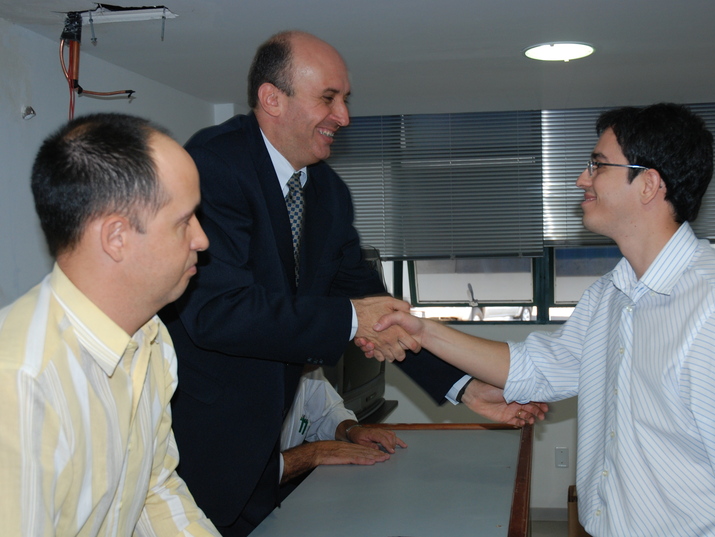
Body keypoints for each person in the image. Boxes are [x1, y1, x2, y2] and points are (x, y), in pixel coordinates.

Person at [161, 30, 545, 536]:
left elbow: (373, 306)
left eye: (345, 99)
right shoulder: (213, 166)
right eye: (328, 98)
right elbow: (218, 313)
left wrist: (465, 387)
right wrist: (350, 318)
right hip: (200, 452)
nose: (343, 116)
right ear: (272, 99)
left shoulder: (328, 193)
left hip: (263, 456)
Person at [368, 103, 715, 536]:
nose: (581, 179)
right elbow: (535, 370)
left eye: (598, 165)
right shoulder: (609, 294)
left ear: (648, 184)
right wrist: (423, 330)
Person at [0, 113, 221, 536]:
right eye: (184, 221)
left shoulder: (152, 338)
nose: (201, 239)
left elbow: (153, 489)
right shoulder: (21, 384)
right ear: (116, 237)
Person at [278, 366, 406, 487]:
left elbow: (327, 412)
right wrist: (315, 453)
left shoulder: (308, 366)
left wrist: (352, 430)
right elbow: (266, 469)